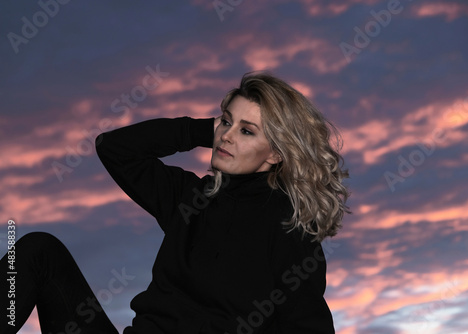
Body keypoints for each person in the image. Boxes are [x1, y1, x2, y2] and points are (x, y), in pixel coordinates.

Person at [1, 72, 350, 334]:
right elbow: (114, 148)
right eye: (226, 121)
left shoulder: (290, 231)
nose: (226, 136)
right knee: (38, 252)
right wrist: (202, 130)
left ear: (275, 153)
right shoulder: (192, 199)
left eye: (247, 131)